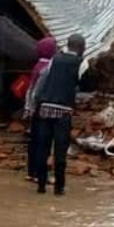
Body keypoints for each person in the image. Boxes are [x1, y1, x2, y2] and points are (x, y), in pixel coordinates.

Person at [28, 33, 88, 195]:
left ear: (68, 45)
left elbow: (42, 80)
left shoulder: (54, 59)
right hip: (63, 111)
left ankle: (41, 186)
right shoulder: (82, 63)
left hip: (45, 109)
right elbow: (84, 86)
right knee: (60, 151)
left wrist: (34, 103)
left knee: (43, 148)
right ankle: (59, 188)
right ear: (81, 47)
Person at [23, 36, 58, 182]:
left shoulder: (37, 66)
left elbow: (30, 90)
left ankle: (32, 172)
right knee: (44, 142)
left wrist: (28, 108)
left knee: (35, 141)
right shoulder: (48, 68)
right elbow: (37, 91)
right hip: (43, 108)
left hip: (35, 109)